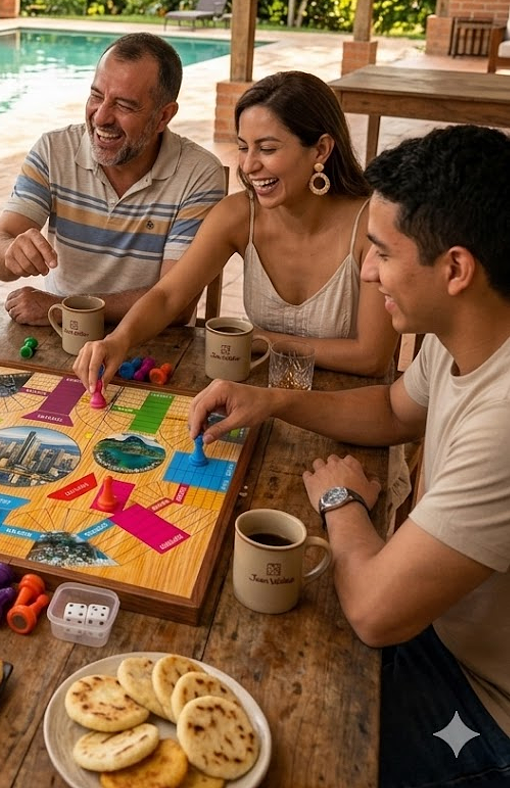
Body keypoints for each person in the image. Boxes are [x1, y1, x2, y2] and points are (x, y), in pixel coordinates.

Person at [189, 124, 510, 788]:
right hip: (434, 632)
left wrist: (343, 503)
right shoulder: (465, 332)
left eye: (382, 254)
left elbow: (373, 611)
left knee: (253, 741)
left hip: (480, 706)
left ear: (455, 268)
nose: (365, 271)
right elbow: (394, 410)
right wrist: (272, 400)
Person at [75, 70, 398, 388]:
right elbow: (168, 295)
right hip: (260, 394)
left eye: (268, 149)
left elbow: (371, 358)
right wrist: (118, 340)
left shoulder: (372, 224)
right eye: (244, 147)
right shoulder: (239, 214)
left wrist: (258, 339)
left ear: (321, 150)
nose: (248, 165)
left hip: (349, 404)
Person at [0, 32, 226, 325]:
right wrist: (10, 253)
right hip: (61, 337)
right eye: (96, 96)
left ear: (163, 117)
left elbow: (176, 305)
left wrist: (60, 309)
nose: (100, 118)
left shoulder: (198, 174)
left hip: (151, 343)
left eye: (123, 105)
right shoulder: (53, 150)